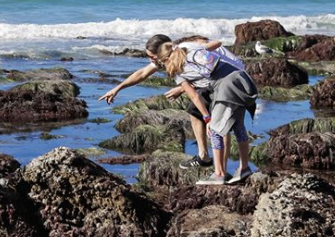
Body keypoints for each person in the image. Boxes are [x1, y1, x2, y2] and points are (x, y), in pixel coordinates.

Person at [98, 34, 246, 170]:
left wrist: (182, 89)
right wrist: (117, 88)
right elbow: (142, 73)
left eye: (152, 57)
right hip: (212, 80)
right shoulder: (169, 56)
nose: (151, 60)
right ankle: (204, 157)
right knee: (194, 111)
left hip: (231, 78)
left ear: (162, 51)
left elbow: (207, 70)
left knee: (220, 125)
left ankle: (222, 171)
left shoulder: (186, 50)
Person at [157, 39, 257, 185]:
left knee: (215, 131)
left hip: (226, 86)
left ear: (164, 60)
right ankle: (244, 168)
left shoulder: (177, 71)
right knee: (238, 126)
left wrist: (207, 118)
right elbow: (216, 46)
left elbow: (194, 96)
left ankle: (219, 174)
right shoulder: (189, 49)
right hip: (241, 78)